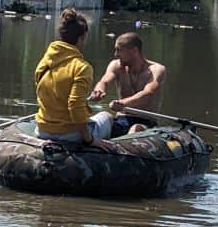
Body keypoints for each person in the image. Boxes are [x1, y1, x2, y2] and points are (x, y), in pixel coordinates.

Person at [34, 8, 112, 150]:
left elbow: (47, 94)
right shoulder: (82, 67)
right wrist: (90, 140)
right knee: (107, 116)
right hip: (71, 134)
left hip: (42, 131)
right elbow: (75, 105)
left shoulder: (45, 61)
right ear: (82, 37)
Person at [91, 32, 166, 137]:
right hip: (121, 119)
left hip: (145, 123)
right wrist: (99, 90)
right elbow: (105, 81)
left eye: (119, 50)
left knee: (135, 129)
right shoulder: (116, 65)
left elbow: (148, 93)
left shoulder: (156, 69)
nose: (115, 54)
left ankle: (120, 150)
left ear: (134, 51)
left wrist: (123, 103)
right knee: (104, 115)